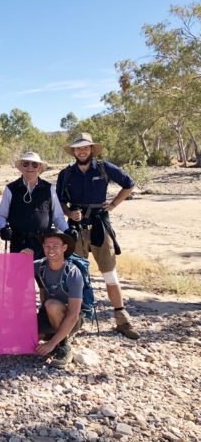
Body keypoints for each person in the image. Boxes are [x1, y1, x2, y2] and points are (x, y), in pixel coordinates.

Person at [56, 133, 139, 339]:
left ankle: (122, 318)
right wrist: (69, 213)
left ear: (92, 149)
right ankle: (75, 320)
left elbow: (128, 184)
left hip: (101, 225)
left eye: (85, 148)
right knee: (76, 276)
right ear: (74, 151)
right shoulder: (66, 173)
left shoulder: (104, 168)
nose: (81, 151)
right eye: (78, 148)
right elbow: (59, 201)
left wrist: (112, 205)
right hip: (76, 229)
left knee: (110, 273)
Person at [0, 152, 69, 259]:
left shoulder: (49, 188)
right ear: (21, 167)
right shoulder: (11, 188)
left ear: (39, 167)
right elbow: (1, 216)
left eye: (34, 164)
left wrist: (67, 231)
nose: (30, 167)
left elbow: (57, 217)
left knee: (42, 275)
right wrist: (2, 228)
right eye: (26, 164)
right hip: (18, 243)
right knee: (19, 275)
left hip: (44, 244)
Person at [33, 229, 83, 369]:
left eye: (55, 246)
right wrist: (23, 256)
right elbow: (15, 269)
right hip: (47, 316)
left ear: (64, 247)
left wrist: (51, 344)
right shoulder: (39, 265)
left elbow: (74, 315)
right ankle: (52, 336)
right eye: (47, 246)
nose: (51, 250)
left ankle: (62, 346)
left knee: (52, 305)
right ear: (43, 247)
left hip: (71, 320)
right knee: (26, 339)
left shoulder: (73, 273)